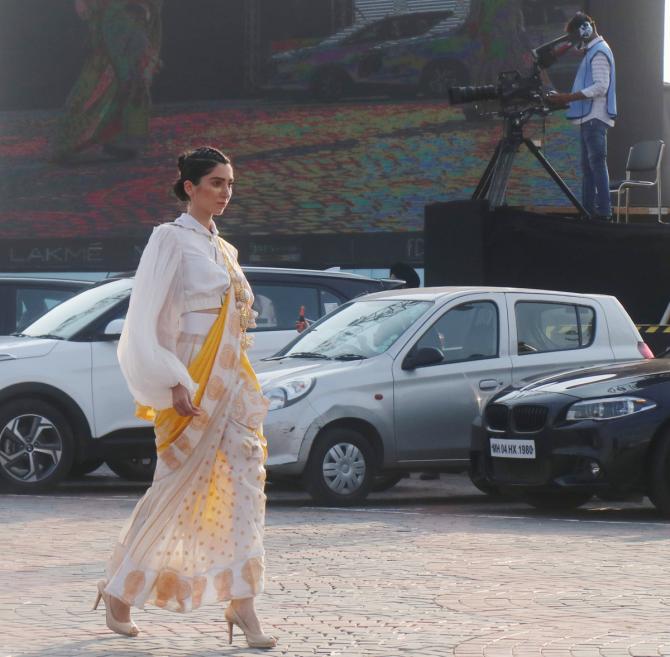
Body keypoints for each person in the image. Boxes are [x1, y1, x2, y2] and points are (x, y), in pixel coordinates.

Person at [93, 146, 277, 649]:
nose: (225, 192)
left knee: (245, 485)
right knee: (175, 488)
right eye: (216, 183)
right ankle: (120, 589)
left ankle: (243, 604)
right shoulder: (170, 240)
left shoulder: (225, 249)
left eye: (230, 184)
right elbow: (148, 320)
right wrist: (173, 379)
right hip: (191, 382)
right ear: (189, 187)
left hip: (234, 384)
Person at [52, 0, 162, 162]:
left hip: (127, 13)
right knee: (117, 72)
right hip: (120, 13)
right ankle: (120, 136)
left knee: (124, 72)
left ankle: (124, 136)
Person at [548, 12, 617, 221]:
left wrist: (567, 97)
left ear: (585, 29)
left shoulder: (598, 53)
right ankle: (588, 212)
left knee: (595, 165)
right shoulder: (595, 51)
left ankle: (603, 213)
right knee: (589, 168)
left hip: (594, 118)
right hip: (590, 118)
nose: (575, 42)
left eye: (576, 37)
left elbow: (601, 87)